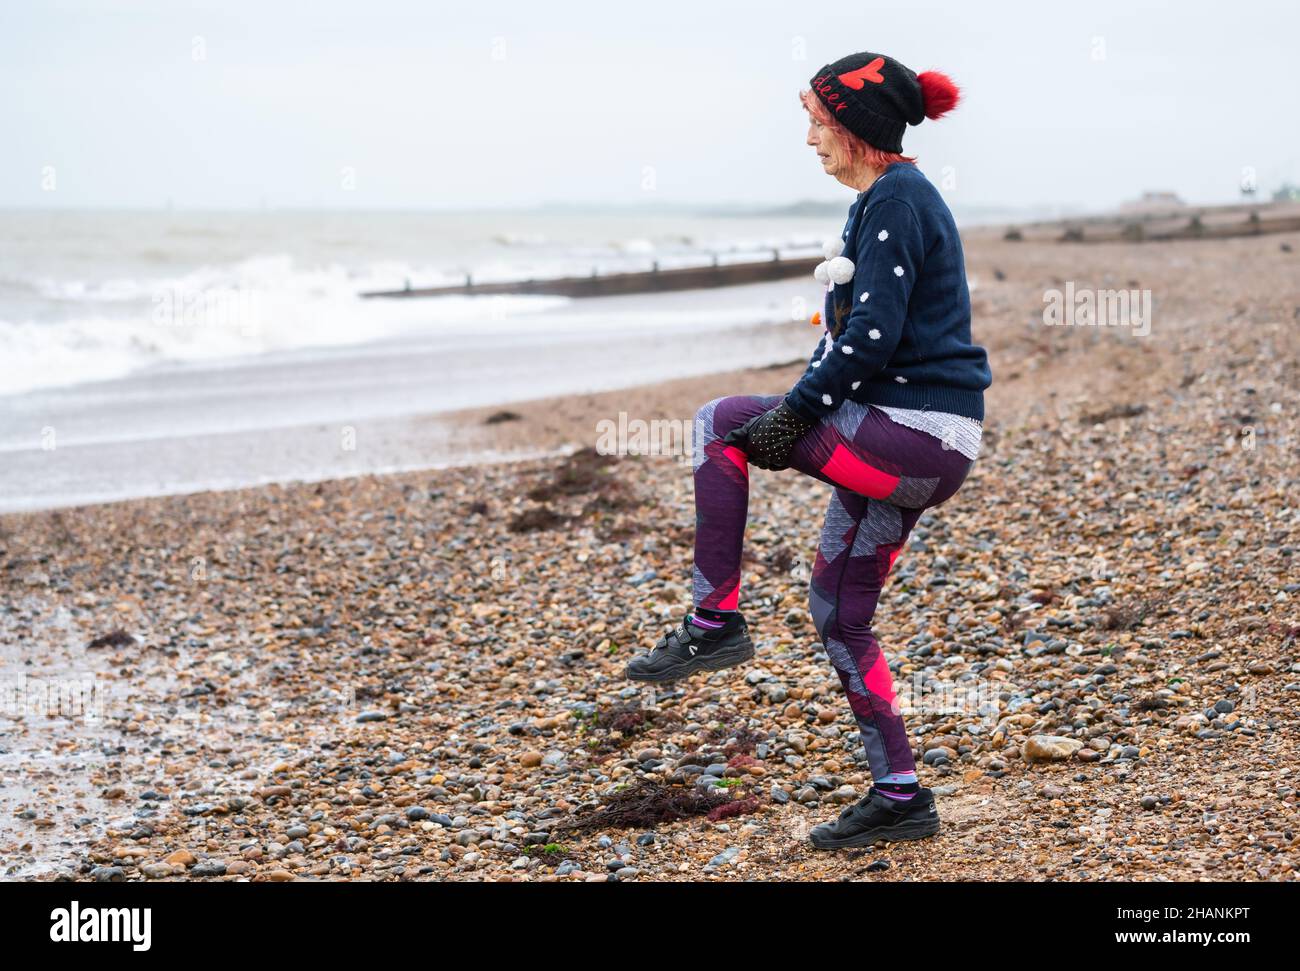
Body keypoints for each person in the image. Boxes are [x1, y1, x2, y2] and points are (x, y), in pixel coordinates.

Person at [623, 51, 992, 849]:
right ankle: (901, 795)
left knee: (717, 420)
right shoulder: (880, 201)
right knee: (838, 612)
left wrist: (790, 418)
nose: (808, 139)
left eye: (817, 122)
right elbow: (849, 343)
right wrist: (800, 404)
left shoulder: (897, 198)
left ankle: (713, 618)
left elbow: (868, 339)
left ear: (854, 127)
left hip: (915, 437)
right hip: (909, 438)